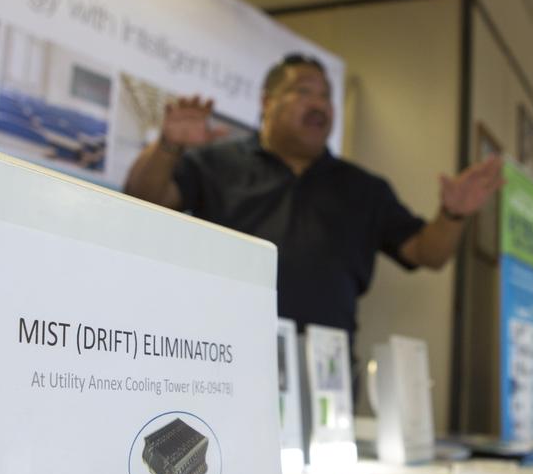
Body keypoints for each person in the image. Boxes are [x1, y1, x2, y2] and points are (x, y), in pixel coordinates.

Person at [124, 53, 502, 337]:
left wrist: (453, 214)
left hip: (323, 375)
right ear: (267, 102)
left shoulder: (364, 188)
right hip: (221, 351)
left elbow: (426, 252)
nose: (319, 104)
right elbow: (143, 200)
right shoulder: (216, 163)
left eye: (326, 96)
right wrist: (168, 146)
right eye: (303, 92)